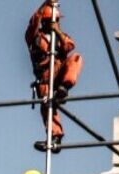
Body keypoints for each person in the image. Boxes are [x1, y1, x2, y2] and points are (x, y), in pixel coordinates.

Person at [25, 1, 83, 152]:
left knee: (76, 58)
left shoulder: (60, 37)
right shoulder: (35, 38)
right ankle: (55, 137)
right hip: (45, 80)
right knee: (48, 107)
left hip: (58, 77)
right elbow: (32, 23)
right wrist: (45, 4)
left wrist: (57, 32)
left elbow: (70, 46)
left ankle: (63, 89)